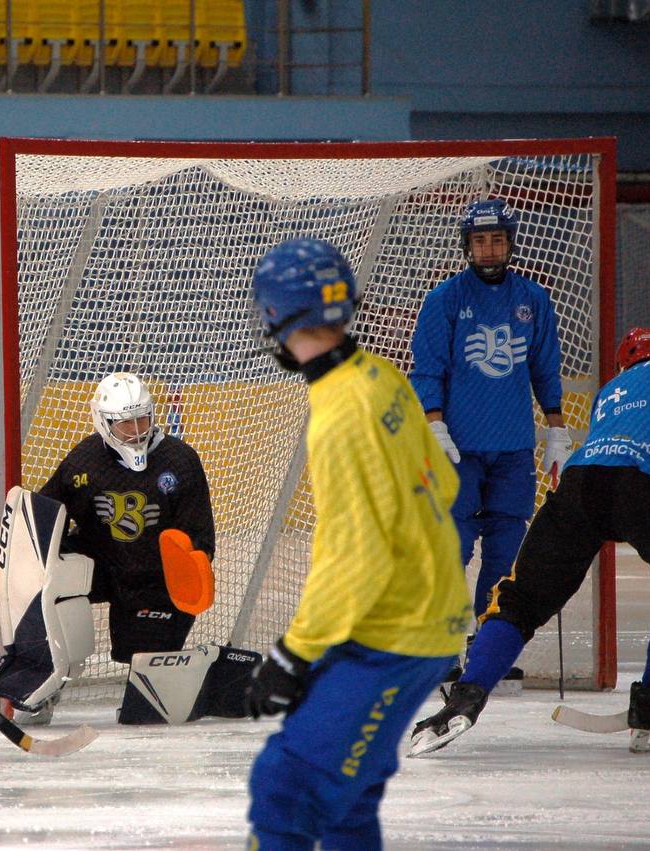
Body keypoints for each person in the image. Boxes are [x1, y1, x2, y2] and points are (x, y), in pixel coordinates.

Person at [410, 326, 650, 757]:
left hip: (579, 485)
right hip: (645, 483)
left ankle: (466, 695)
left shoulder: (609, 391)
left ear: (622, 363)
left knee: (519, 600)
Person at [243, 237, 471, 849]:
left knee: (285, 787)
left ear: (276, 317)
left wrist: (296, 651)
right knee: (347, 798)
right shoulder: (381, 375)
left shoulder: (340, 414)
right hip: (425, 616)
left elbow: (355, 553)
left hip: (395, 631)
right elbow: (445, 482)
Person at [0, 371, 217, 720]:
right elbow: (39, 524)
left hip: (154, 577)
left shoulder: (179, 460)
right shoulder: (85, 461)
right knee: (42, 575)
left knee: (146, 683)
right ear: (104, 422)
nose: (137, 430)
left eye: (142, 419)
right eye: (126, 423)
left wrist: (191, 564)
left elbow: (198, 529)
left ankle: (197, 673)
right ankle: (42, 685)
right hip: (101, 566)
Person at [409, 199, 573, 650]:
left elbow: (544, 369)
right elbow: (427, 368)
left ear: (509, 245)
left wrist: (557, 430)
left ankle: (489, 645)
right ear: (467, 246)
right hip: (458, 449)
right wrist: (435, 424)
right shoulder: (444, 299)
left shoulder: (533, 299)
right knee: (452, 548)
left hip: (513, 448)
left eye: (496, 240)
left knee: (506, 553)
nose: (488, 250)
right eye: (479, 241)